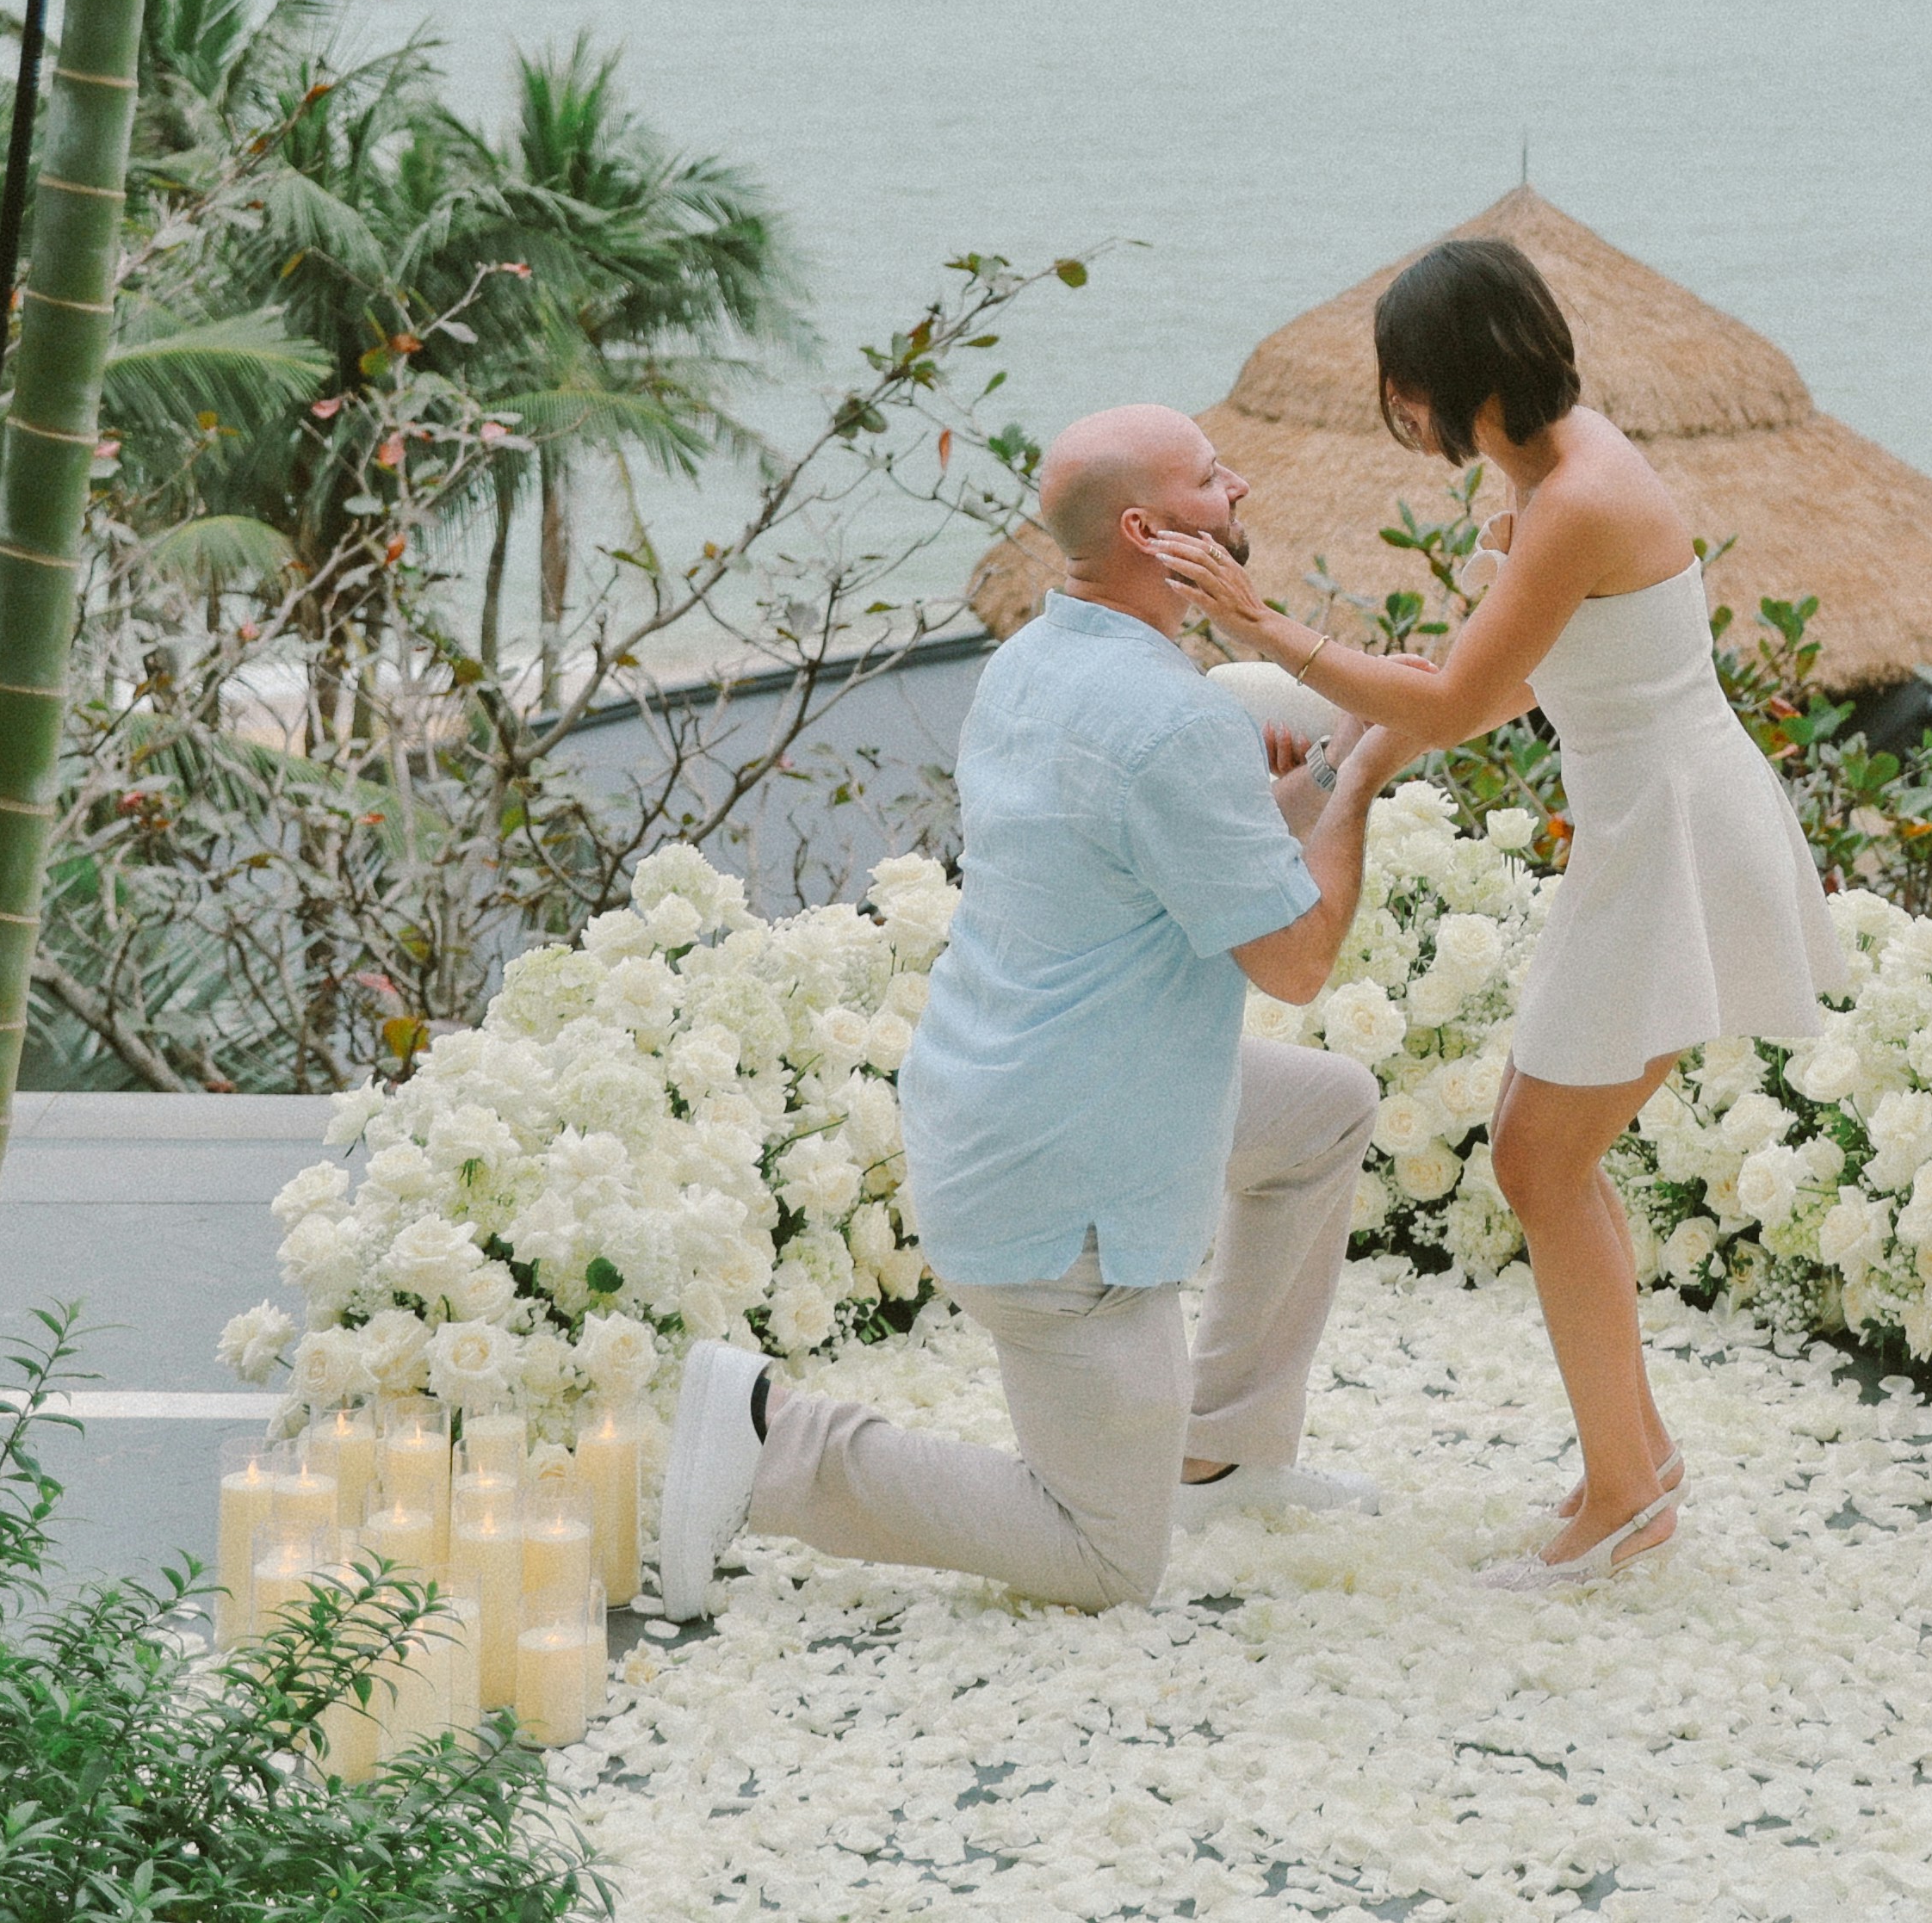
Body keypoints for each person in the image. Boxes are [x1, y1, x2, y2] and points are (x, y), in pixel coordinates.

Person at [1150, 232, 1827, 1591]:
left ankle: (1628, 1493)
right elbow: (1500, 679)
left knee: (1538, 1158)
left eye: (1401, 387)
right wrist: (1349, 759)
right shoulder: (1546, 479)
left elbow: (1460, 694)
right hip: (1657, 826)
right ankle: (1636, 1463)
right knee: (1547, 1150)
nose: (1394, 416)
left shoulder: (1576, 492)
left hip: (1671, 832)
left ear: (1450, 377)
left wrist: (1263, 626)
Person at [642, 399, 1394, 1618]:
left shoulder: (1035, 665)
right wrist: (1361, 778)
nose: (1242, 485)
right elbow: (1299, 961)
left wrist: (1303, 786)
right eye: (1214, 479)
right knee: (1103, 1560)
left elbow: (1203, 872)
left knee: (1324, 1112)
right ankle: (773, 1438)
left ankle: (1223, 1450)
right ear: (1152, 530)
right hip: (1068, 1194)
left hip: (1011, 1102)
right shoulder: (1172, 721)